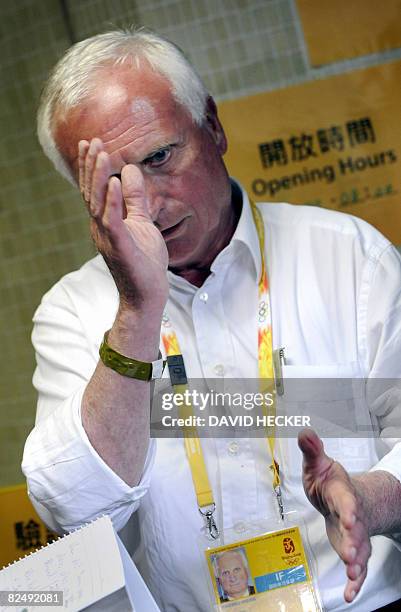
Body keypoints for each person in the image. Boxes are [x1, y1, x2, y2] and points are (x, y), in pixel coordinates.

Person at [22, 29, 401, 611]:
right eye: (111, 185)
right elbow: (72, 507)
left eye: (158, 158)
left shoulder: (350, 258)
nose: (146, 202)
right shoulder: (74, 312)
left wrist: (370, 500)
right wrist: (137, 310)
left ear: (214, 127)